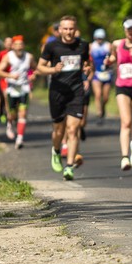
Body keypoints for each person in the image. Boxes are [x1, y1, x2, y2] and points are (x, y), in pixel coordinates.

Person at [37, 15, 93, 180]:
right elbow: (40, 68)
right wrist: (53, 70)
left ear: (75, 29)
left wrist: (87, 69)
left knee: (72, 129)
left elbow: (87, 63)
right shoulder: (52, 46)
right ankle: (55, 151)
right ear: (60, 30)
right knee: (59, 130)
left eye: (71, 29)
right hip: (57, 92)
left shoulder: (83, 45)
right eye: (66, 29)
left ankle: (69, 167)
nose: (69, 32)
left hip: (76, 92)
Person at [107, 17, 132, 171]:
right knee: (126, 122)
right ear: (124, 29)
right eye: (128, 28)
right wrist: (109, 61)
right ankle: (125, 157)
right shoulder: (117, 44)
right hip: (122, 86)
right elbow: (113, 57)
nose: (131, 31)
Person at [0, 35, 33, 149]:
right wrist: (10, 75)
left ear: (23, 46)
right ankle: (10, 124)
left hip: (24, 87)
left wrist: (33, 76)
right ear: (12, 46)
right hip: (12, 88)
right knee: (12, 113)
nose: (19, 47)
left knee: (22, 113)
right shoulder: (8, 57)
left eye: (21, 44)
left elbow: (35, 68)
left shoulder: (29, 57)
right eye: (16, 45)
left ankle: (20, 138)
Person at [89, 28, 113, 124]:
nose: (99, 40)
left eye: (101, 38)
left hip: (107, 73)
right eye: (98, 38)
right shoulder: (91, 46)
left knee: (106, 97)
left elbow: (113, 58)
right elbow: (89, 60)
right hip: (96, 73)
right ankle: (99, 114)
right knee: (98, 94)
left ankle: (103, 108)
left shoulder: (108, 46)